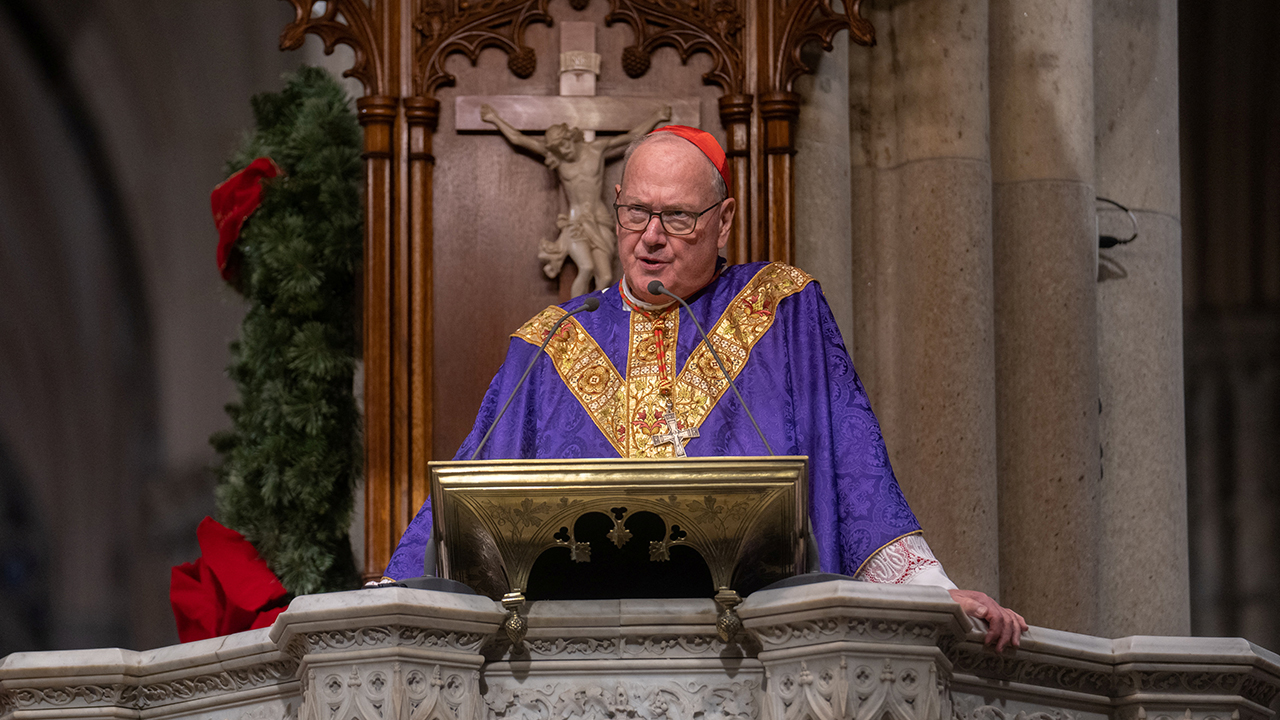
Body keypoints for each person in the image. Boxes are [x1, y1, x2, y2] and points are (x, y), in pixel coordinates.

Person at [386, 125, 1028, 651]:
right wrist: (390, 597)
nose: (651, 236)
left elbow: (853, 466)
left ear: (723, 222)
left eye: (678, 217)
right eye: (636, 212)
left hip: (756, 656)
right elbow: (466, 499)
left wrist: (930, 593)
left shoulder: (781, 312)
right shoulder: (550, 342)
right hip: (577, 660)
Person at [480, 103, 671, 297]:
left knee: (605, 276)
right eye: (558, 150)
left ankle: (598, 314)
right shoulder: (559, 159)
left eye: (564, 145)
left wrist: (657, 117)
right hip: (575, 222)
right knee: (586, 268)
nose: (564, 151)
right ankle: (575, 313)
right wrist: (494, 118)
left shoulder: (596, 150)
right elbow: (518, 139)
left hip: (598, 219)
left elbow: (632, 136)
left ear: (570, 137)